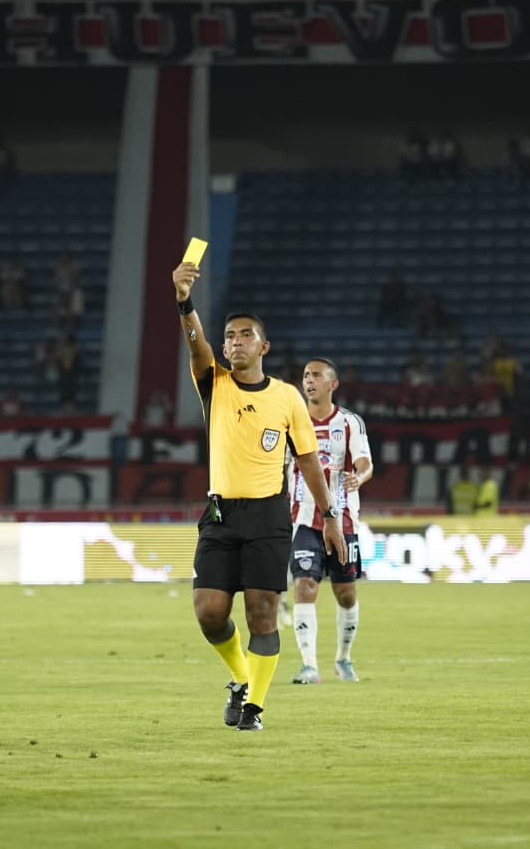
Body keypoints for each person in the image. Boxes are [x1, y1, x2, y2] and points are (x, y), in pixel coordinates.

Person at [172, 259, 345, 732]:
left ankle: (254, 709)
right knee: (209, 612)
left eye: (245, 335)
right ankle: (240, 677)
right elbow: (195, 344)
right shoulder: (213, 381)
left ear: (263, 346)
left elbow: (307, 460)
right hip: (220, 513)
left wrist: (329, 516)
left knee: (262, 613)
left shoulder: (287, 397)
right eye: (229, 336)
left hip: (268, 515)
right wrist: (185, 302)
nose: (234, 342)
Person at [286, 358, 373, 685]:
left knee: (345, 593)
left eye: (316, 375)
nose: (309, 380)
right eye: (306, 375)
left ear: (332, 384)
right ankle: (309, 665)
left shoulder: (350, 423)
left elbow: (365, 462)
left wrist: (359, 477)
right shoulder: (291, 422)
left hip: (343, 520)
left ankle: (343, 658)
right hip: (304, 518)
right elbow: (282, 468)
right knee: (305, 585)